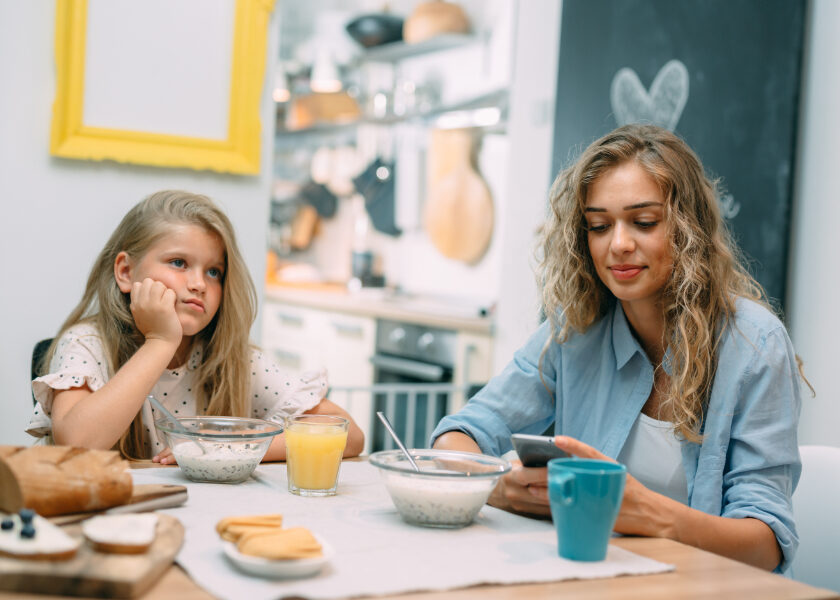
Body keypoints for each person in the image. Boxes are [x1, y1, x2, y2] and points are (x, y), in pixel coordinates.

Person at [432, 124, 805, 573]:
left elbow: (765, 545)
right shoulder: (574, 331)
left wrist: (650, 515)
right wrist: (496, 485)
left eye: (644, 222)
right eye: (599, 226)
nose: (619, 245)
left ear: (689, 228)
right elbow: (462, 433)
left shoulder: (755, 345)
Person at [27, 190, 364, 462]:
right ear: (126, 272)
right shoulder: (86, 343)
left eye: (213, 271)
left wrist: (230, 447)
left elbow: (348, 435)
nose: (199, 283)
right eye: (179, 263)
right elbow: (76, 445)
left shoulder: (229, 358)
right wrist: (160, 342)